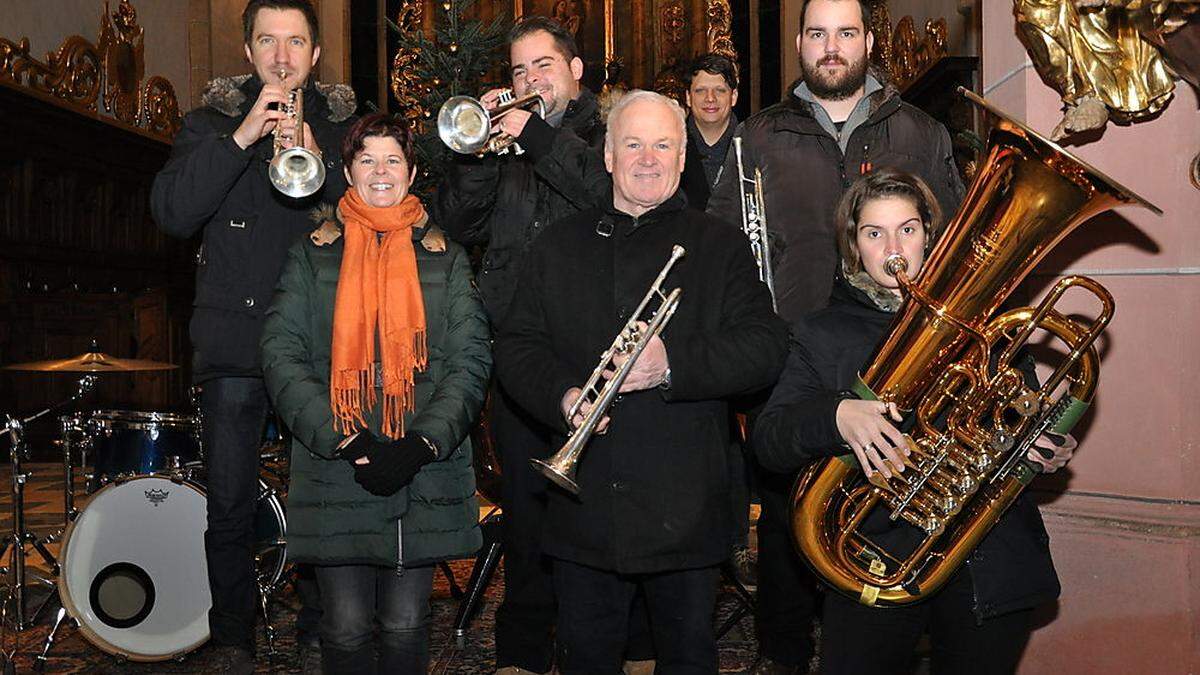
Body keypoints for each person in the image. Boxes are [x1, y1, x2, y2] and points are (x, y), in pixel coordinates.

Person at [705, 2, 966, 670]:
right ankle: (787, 655)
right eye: (818, 33)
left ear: (868, 41)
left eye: (845, 33)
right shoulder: (756, 137)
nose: (831, 46)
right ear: (799, 43)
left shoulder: (920, 130)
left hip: (904, 355)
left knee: (902, 504)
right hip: (788, 363)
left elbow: (959, 242)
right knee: (792, 527)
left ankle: (899, 637)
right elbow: (724, 254)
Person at [494, 90, 788, 673]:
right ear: (608, 155)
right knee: (586, 657)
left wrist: (672, 363)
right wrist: (563, 396)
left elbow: (766, 347)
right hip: (584, 509)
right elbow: (517, 346)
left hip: (684, 507)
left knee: (685, 658)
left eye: (662, 145)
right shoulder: (556, 246)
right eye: (633, 144)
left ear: (683, 159)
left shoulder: (720, 245)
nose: (647, 158)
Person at [753, 169, 1075, 675]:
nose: (893, 246)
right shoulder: (820, 332)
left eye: (907, 229)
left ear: (930, 234)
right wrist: (836, 414)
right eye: (873, 233)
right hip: (873, 553)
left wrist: (1041, 446)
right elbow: (770, 441)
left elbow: (1021, 413)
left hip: (985, 553)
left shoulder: (985, 320)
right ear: (854, 246)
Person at [150, 0, 354, 669]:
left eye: (296, 41)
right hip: (234, 344)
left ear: (315, 56)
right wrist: (241, 139)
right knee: (230, 505)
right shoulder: (208, 123)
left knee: (321, 498)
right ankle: (233, 635)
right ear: (248, 52)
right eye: (267, 40)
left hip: (316, 344)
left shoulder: (345, 125)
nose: (282, 56)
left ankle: (321, 625)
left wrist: (326, 161)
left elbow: (377, 225)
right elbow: (174, 213)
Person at [260, 112, 491, 673]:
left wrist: (421, 445)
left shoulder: (447, 258)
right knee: (341, 625)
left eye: (393, 159)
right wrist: (345, 439)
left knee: (407, 623)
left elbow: (470, 359)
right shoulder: (311, 256)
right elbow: (280, 353)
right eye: (367, 159)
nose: (380, 171)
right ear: (346, 171)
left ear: (412, 174)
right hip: (336, 467)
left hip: (421, 469)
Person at [433, 15, 609, 675]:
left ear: (574, 71)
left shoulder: (607, 131)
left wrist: (535, 135)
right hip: (517, 350)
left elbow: (604, 194)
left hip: (593, 350)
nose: (530, 81)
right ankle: (525, 650)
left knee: (600, 507)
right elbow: (455, 221)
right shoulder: (504, 145)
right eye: (519, 71)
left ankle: (609, 643)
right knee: (527, 513)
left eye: (544, 66)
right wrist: (477, 155)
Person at [680, 52, 739, 210]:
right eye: (700, 91)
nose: (710, 98)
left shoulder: (755, 145)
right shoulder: (668, 147)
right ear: (688, 97)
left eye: (719, 90)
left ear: (733, 97)